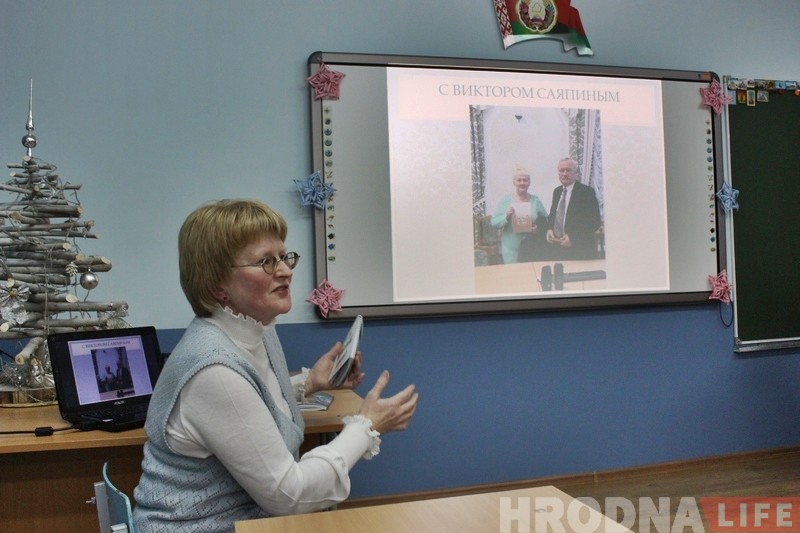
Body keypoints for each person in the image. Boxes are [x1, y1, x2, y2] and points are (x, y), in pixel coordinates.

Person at [132, 199, 418, 532]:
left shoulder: (256, 329)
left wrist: (309, 384)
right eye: (266, 262)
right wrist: (365, 426)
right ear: (216, 287)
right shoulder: (213, 371)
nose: (285, 270)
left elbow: (249, 403)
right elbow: (288, 494)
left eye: (284, 256)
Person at [543, 158, 602, 261]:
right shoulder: (556, 192)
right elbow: (553, 215)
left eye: (568, 170)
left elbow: (594, 221)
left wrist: (573, 238)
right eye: (562, 170)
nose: (564, 174)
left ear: (576, 173)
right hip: (558, 249)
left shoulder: (587, 192)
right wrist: (549, 229)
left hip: (580, 250)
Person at [490, 165, 548, 264]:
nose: (522, 183)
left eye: (525, 180)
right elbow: (494, 222)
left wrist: (538, 228)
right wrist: (506, 216)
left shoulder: (535, 200)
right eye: (519, 180)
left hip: (531, 248)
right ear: (514, 182)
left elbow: (546, 220)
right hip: (510, 248)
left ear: (529, 182)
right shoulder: (506, 200)